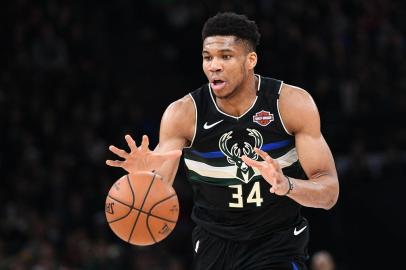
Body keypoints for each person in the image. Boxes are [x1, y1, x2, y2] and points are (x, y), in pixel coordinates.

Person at [106, 12, 339, 270]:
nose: (213, 65)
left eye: (225, 56)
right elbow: (158, 189)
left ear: (250, 60)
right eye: (208, 57)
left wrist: (287, 185)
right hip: (214, 246)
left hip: (277, 243)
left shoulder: (290, 104)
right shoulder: (183, 114)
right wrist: (142, 177)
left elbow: (328, 192)